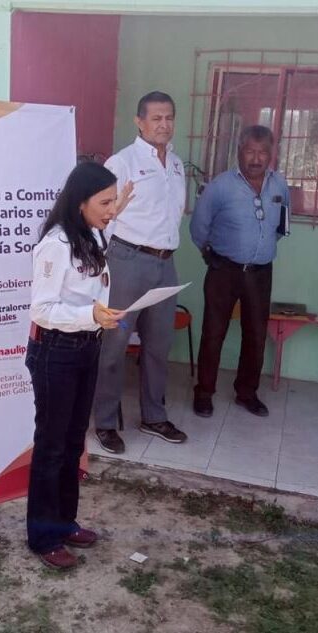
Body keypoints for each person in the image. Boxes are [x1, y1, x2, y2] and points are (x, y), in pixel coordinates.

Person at [26, 162, 129, 570]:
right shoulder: (56, 243)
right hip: (56, 352)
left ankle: (64, 523)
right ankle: (44, 536)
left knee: (72, 443)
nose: (112, 209)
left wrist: (96, 319)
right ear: (80, 202)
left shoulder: (92, 233)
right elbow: (42, 309)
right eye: (105, 202)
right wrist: (91, 316)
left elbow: (91, 286)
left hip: (86, 347)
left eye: (114, 201)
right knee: (51, 446)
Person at [93, 91, 187, 454]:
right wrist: (110, 259)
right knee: (114, 345)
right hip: (127, 262)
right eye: (156, 118)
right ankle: (105, 422)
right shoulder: (122, 163)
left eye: (169, 117)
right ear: (139, 121)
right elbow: (102, 214)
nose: (164, 125)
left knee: (159, 345)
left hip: (165, 263)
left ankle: (154, 416)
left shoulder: (175, 164)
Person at [189, 125, 290, 418]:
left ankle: (247, 393)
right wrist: (211, 255)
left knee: (256, 335)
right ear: (239, 152)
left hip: (260, 273)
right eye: (250, 151)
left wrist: (259, 250)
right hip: (224, 270)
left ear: (271, 154)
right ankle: (204, 393)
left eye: (262, 152)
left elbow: (281, 227)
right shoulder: (220, 186)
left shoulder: (279, 185)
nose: (256, 159)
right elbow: (198, 228)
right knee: (213, 333)